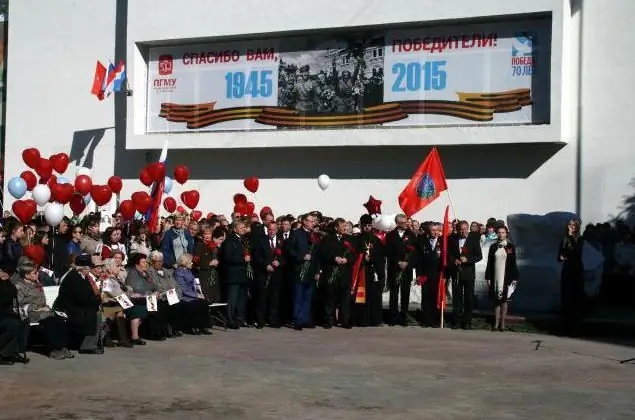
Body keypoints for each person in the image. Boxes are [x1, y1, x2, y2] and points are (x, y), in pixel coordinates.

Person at [15, 259, 73, 359]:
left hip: (42, 311)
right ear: (27, 275)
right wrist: (38, 308)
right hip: (30, 312)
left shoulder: (36, 284)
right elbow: (18, 304)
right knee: (51, 320)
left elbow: (41, 300)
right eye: (35, 273)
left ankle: (62, 347)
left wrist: (45, 307)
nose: (38, 274)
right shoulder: (20, 286)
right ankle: (54, 350)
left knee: (59, 319)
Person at [53, 254, 105, 354]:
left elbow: (87, 295)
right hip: (70, 307)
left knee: (95, 311)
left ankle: (89, 343)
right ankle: (87, 345)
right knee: (95, 313)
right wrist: (97, 300)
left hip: (78, 305)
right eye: (89, 267)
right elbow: (81, 298)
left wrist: (97, 299)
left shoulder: (82, 277)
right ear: (83, 268)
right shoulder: (74, 278)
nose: (90, 270)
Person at [319, 218, 357, 329]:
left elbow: (354, 255)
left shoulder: (350, 239)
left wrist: (347, 260)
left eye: (346, 226)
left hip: (345, 272)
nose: (345, 228)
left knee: (345, 298)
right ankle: (329, 320)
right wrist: (333, 258)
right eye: (342, 226)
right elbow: (324, 253)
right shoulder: (328, 238)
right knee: (330, 297)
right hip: (332, 271)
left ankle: (345, 320)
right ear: (336, 227)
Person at [101, 258, 147, 347]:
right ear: (109, 269)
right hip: (108, 304)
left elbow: (128, 289)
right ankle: (115, 338)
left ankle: (121, 339)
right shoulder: (107, 280)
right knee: (118, 311)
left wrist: (129, 293)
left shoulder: (116, 278)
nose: (119, 269)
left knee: (121, 310)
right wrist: (130, 294)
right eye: (117, 267)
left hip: (118, 302)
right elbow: (117, 294)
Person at [448, 221, 483, 329]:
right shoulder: (453, 239)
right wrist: (454, 260)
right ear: (457, 229)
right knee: (456, 298)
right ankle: (456, 320)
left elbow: (479, 256)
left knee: (468, 298)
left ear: (468, 229)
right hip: (457, 273)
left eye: (465, 229)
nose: (463, 231)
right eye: (461, 229)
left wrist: (468, 260)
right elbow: (448, 253)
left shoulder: (473, 240)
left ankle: (467, 321)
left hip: (468, 273)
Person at [287, 214, 320, 330]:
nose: (312, 224)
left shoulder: (314, 236)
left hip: (310, 270)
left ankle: (306, 319)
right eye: (310, 221)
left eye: (313, 222)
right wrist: (301, 257)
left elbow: (316, 255)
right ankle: (297, 319)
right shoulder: (296, 233)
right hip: (299, 269)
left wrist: (317, 271)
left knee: (308, 296)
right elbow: (290, 250)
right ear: (305, 222)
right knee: (298, 296)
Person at [385, 214, 418, 326]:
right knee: (394, 293)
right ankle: (393, 317)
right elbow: (388, 252)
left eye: (406, 222)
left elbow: (416, 252)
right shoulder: (390, 235)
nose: (406, 224)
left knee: (405, 293)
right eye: (403, 222)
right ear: (398, 223)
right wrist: (398, 262)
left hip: (406, 269)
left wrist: (408, 263)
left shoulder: (411, 235)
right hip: (395, 268)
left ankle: (403, 316)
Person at [485, 226, 519, 332]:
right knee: (496, 301)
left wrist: (514, 278)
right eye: (499, 232)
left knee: (504, 301)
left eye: (503, 232)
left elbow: (513, 263)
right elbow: (489, 263)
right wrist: (488, 277)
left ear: (506, 234)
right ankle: (495, 323)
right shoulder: (493, 247)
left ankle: (503, 324)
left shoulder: (510, 247)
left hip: (506, 277)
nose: (501, 234)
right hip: (496, 276)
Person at [126, 253, 167, 340]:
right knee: (155, 306)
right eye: (143, 262)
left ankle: (159, 332)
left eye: (146, 262)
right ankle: (152, 334)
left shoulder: (146, 273)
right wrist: (149, 294)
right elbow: (135, 289)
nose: (146, 264)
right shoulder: (133, 273)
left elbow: (154, 286)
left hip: (148, 298)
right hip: (137, 299)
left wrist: (156, 292)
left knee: (162, 304)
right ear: (137, 264)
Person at [354, 215, 385, 327]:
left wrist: (372, 259)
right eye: (365, 226)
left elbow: (381, 256)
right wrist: (362, 257)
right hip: (361, 271)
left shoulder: (376, 240)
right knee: (362, 296)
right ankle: (362, 320)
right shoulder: (357, 239)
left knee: (374, 296)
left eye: (369, 225)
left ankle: (375, 319)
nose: (367, 228)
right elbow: (354, 254)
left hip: (374, 271)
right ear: (361, 226)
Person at [220, 220, 251, 329]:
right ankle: (230, 319)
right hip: (233, 275)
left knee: (242, 299)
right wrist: (243, 259)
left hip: (243, 274)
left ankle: (240, 319)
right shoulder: (229, 241)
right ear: (235, 229)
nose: (244, 229)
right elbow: (228, 258)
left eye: (244, 227)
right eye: (241, 227)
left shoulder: (244, 240)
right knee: (232, 299)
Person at [557, 218, 585, 334]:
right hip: (567, 269)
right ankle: (566, 325)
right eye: (569, 225)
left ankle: (576, 326)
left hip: (577, 270)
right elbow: (559, 256)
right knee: (566, 296)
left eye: (573, 225)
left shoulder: (580, 239)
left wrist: (570, 237)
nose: (571, 227)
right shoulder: (563, 240)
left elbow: (575, 252)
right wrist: (561, 257)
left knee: (576, 297)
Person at [173, 253, 212, 335]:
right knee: (195, 304)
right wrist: (196, 295)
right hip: (184, 296)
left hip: (192, 294)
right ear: (185, 262)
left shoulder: (188, 271)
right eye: (190, 262)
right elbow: (183, 289)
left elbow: (194, 284)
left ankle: (203, 326)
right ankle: (193, 326)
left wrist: (199, 293)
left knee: (204, 303)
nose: (192, 263)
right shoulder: (179, 273)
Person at [147, 250, 183, 338]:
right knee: (163, 306)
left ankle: (173, 329)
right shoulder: (149, 272)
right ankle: (161, 331)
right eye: (157, 261)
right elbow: (154, 286)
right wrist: (163, 294)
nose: (160, 263)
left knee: (177, 305)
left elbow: (176, 285)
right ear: (152, 262)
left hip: (169, 296)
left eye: (161, 261)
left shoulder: (167, 271)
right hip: (157, 297)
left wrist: (177, 295)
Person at [415, 222, 443, 328]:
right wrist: (419, 275)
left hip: (438, 274)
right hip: (426, 274)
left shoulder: (442, 242)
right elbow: (419, 260)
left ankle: (435, 320)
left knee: (436, 298)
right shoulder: (422, 242)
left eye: (437, 230)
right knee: (426, 297)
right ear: (428, 231)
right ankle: (426, 320)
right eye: (433, 230)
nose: (435, 232)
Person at [0, 268, 29, 365]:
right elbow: (6, 296)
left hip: (6, 313)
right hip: (2, 315)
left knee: (24, 321)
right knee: (13, 324)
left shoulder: (6, 281)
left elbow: (12, 292)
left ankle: (15, 351)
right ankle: (3, 353)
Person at [194, 226, 223, 304]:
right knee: (207, 297)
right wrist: (208, 264)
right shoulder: (199, 245)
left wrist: (218, 261)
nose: (207, 236)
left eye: (209, 234)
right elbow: (195, 261)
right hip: (204, 274)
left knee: (215, 297)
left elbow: (221, 257)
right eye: (205, 234)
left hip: (214, 273)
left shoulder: (215, 246)